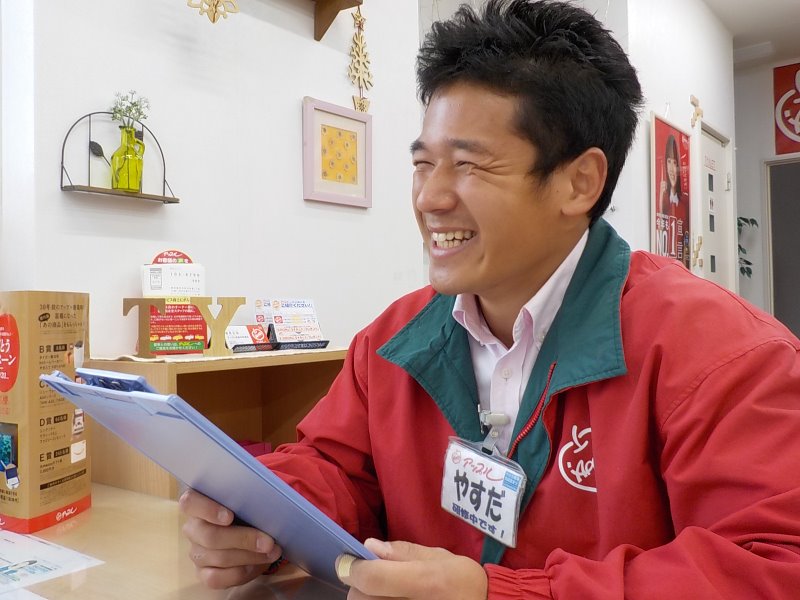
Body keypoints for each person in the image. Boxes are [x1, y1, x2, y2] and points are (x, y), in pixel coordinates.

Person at [180, 1, 800, 597]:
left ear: (580, 182)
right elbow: (339, 471)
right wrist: (262, 514)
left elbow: (774, 570)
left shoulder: (722, 355)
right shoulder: (391, 342)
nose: (429, 198)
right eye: (423, 164)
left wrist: (502, 594)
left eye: (469, 166)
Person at [657, 134, 690, 268]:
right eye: (669, 162)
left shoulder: (685, 202)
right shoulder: (663, 200)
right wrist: (661, 199)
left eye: (675, 163)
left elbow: (687, 241)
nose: (671, 168)